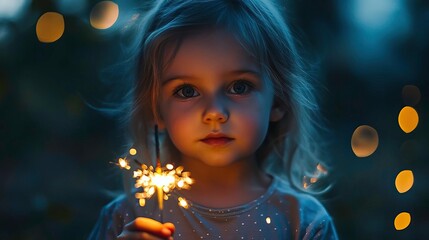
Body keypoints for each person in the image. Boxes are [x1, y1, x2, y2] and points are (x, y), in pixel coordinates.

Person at [90, 0, 338, 239]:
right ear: (155, 109)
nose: (214, 112)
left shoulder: (303, 221)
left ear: (278, 101)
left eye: (239, 87)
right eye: (187, 91)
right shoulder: (126, 219)